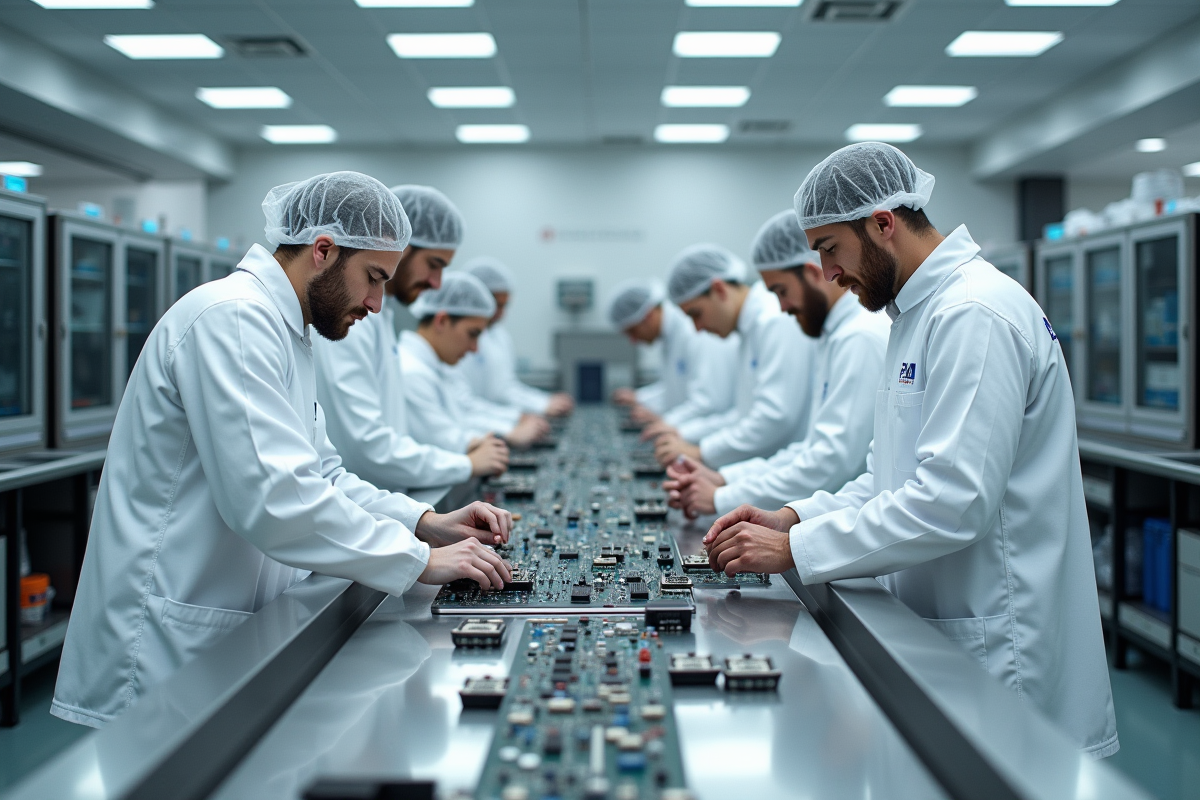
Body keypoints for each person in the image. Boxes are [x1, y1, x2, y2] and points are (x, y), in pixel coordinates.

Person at [52, 172, 513, 728]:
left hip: (217, 623)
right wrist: (418, 561)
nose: (375, 302)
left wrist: (423, 521)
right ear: (322, 250)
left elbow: (322, 473)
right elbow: (274, 499)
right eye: (372, 277)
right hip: (160, 638)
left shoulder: (286, 330)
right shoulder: (233, 318)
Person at [703, 143, 1118, 757]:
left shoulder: (973, 313)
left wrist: (794, 548)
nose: (825, 274)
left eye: (829, 250)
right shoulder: (916, 317)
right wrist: (795, 516)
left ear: (882, 224)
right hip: (946, 627)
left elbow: (953, 502)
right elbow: (885, 477)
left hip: (1004, 642)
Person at [664, 210, 889, 518]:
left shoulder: (857, 337)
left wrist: (724, 493)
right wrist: (726, 479)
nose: (782, 308)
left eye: (782, 292)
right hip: (832, 513)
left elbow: (829, 461)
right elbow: (810, 448)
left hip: (845, 518)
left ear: (812, 274)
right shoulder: (835, 335)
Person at [313, 184, 508, 495]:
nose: (436, 283)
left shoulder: (380, 316)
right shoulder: (354, 319)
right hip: (363, 508)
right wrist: (466, 464)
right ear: (398, 244)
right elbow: (367, 446)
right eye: (434, 264)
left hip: (377, 504)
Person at [649, 243, 813, 468]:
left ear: (719, 289)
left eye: (696, 314)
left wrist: (701, 451)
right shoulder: (749, 328)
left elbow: (774, 418)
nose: (697, 328)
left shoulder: (773, 320)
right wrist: (685, 434)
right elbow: (742, 415)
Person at [402, 272, 545, 452]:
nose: (475, 349)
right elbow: (443, 440)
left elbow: (463, 415)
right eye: (473, 334)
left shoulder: (438, 367)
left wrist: (512, 423)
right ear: (442, 321)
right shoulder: (412, 373)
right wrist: (507, 433)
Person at [606, 279, 739, 428]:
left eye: (633, 331)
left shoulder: (693, 330)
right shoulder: (671, 335)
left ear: (648, 315)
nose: (633, 340)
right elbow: (676, 389)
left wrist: (665, 422)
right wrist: (641, 398)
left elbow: (710, 402)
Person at [459, 256, 574, 417]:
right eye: (496, 305)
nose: (500, 314)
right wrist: (532, 410)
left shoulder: (499, 335)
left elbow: (506, 387)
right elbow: (464, 405)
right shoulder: (456, 339)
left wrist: (544, 401)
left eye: (505, 305)